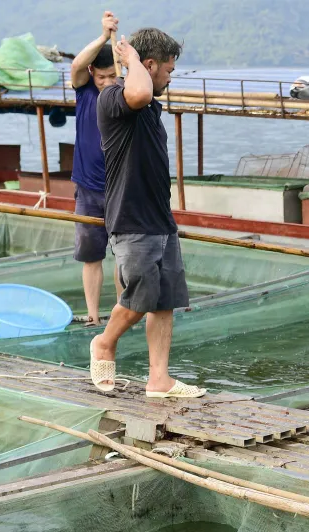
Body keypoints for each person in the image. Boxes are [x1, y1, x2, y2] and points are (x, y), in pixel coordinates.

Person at [89, 28, 205, 400]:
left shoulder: (151, 107)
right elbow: (137, 91)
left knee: (164, 300)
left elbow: (144, 94)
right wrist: (132, 61)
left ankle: (159, 379)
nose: (170, 78)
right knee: (140, 297)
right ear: (149, 64)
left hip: (160, 220)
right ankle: (104, 343)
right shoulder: (111, 98)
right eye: (167, 70)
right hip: (132, 220)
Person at [70, 10, 123, 326]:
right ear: (92, 73)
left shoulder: (125, 94)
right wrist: (104, 36)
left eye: (112, 77)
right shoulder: (85, 90)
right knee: (91, 255)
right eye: (100, 77)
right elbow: (76, 66)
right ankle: (92, 315)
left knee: (122, 254)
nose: (106, 83)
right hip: (88, 188)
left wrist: (124, 60)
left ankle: (120, 313)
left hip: (119, 187)